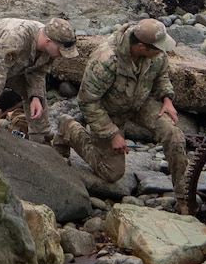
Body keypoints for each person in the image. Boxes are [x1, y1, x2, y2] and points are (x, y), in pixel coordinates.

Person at [55, 17, 189, 211]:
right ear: (142, 47)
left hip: (139, 103)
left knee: (174, 135)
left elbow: (162, 75)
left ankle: (184, 196)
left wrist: (167, 98)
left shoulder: (156, 53)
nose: (162, 52)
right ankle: (69, 128)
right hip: (108, 112)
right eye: (158, 49)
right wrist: (112, 133)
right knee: (112, 173)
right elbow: (87, 101)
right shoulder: (105, 59)